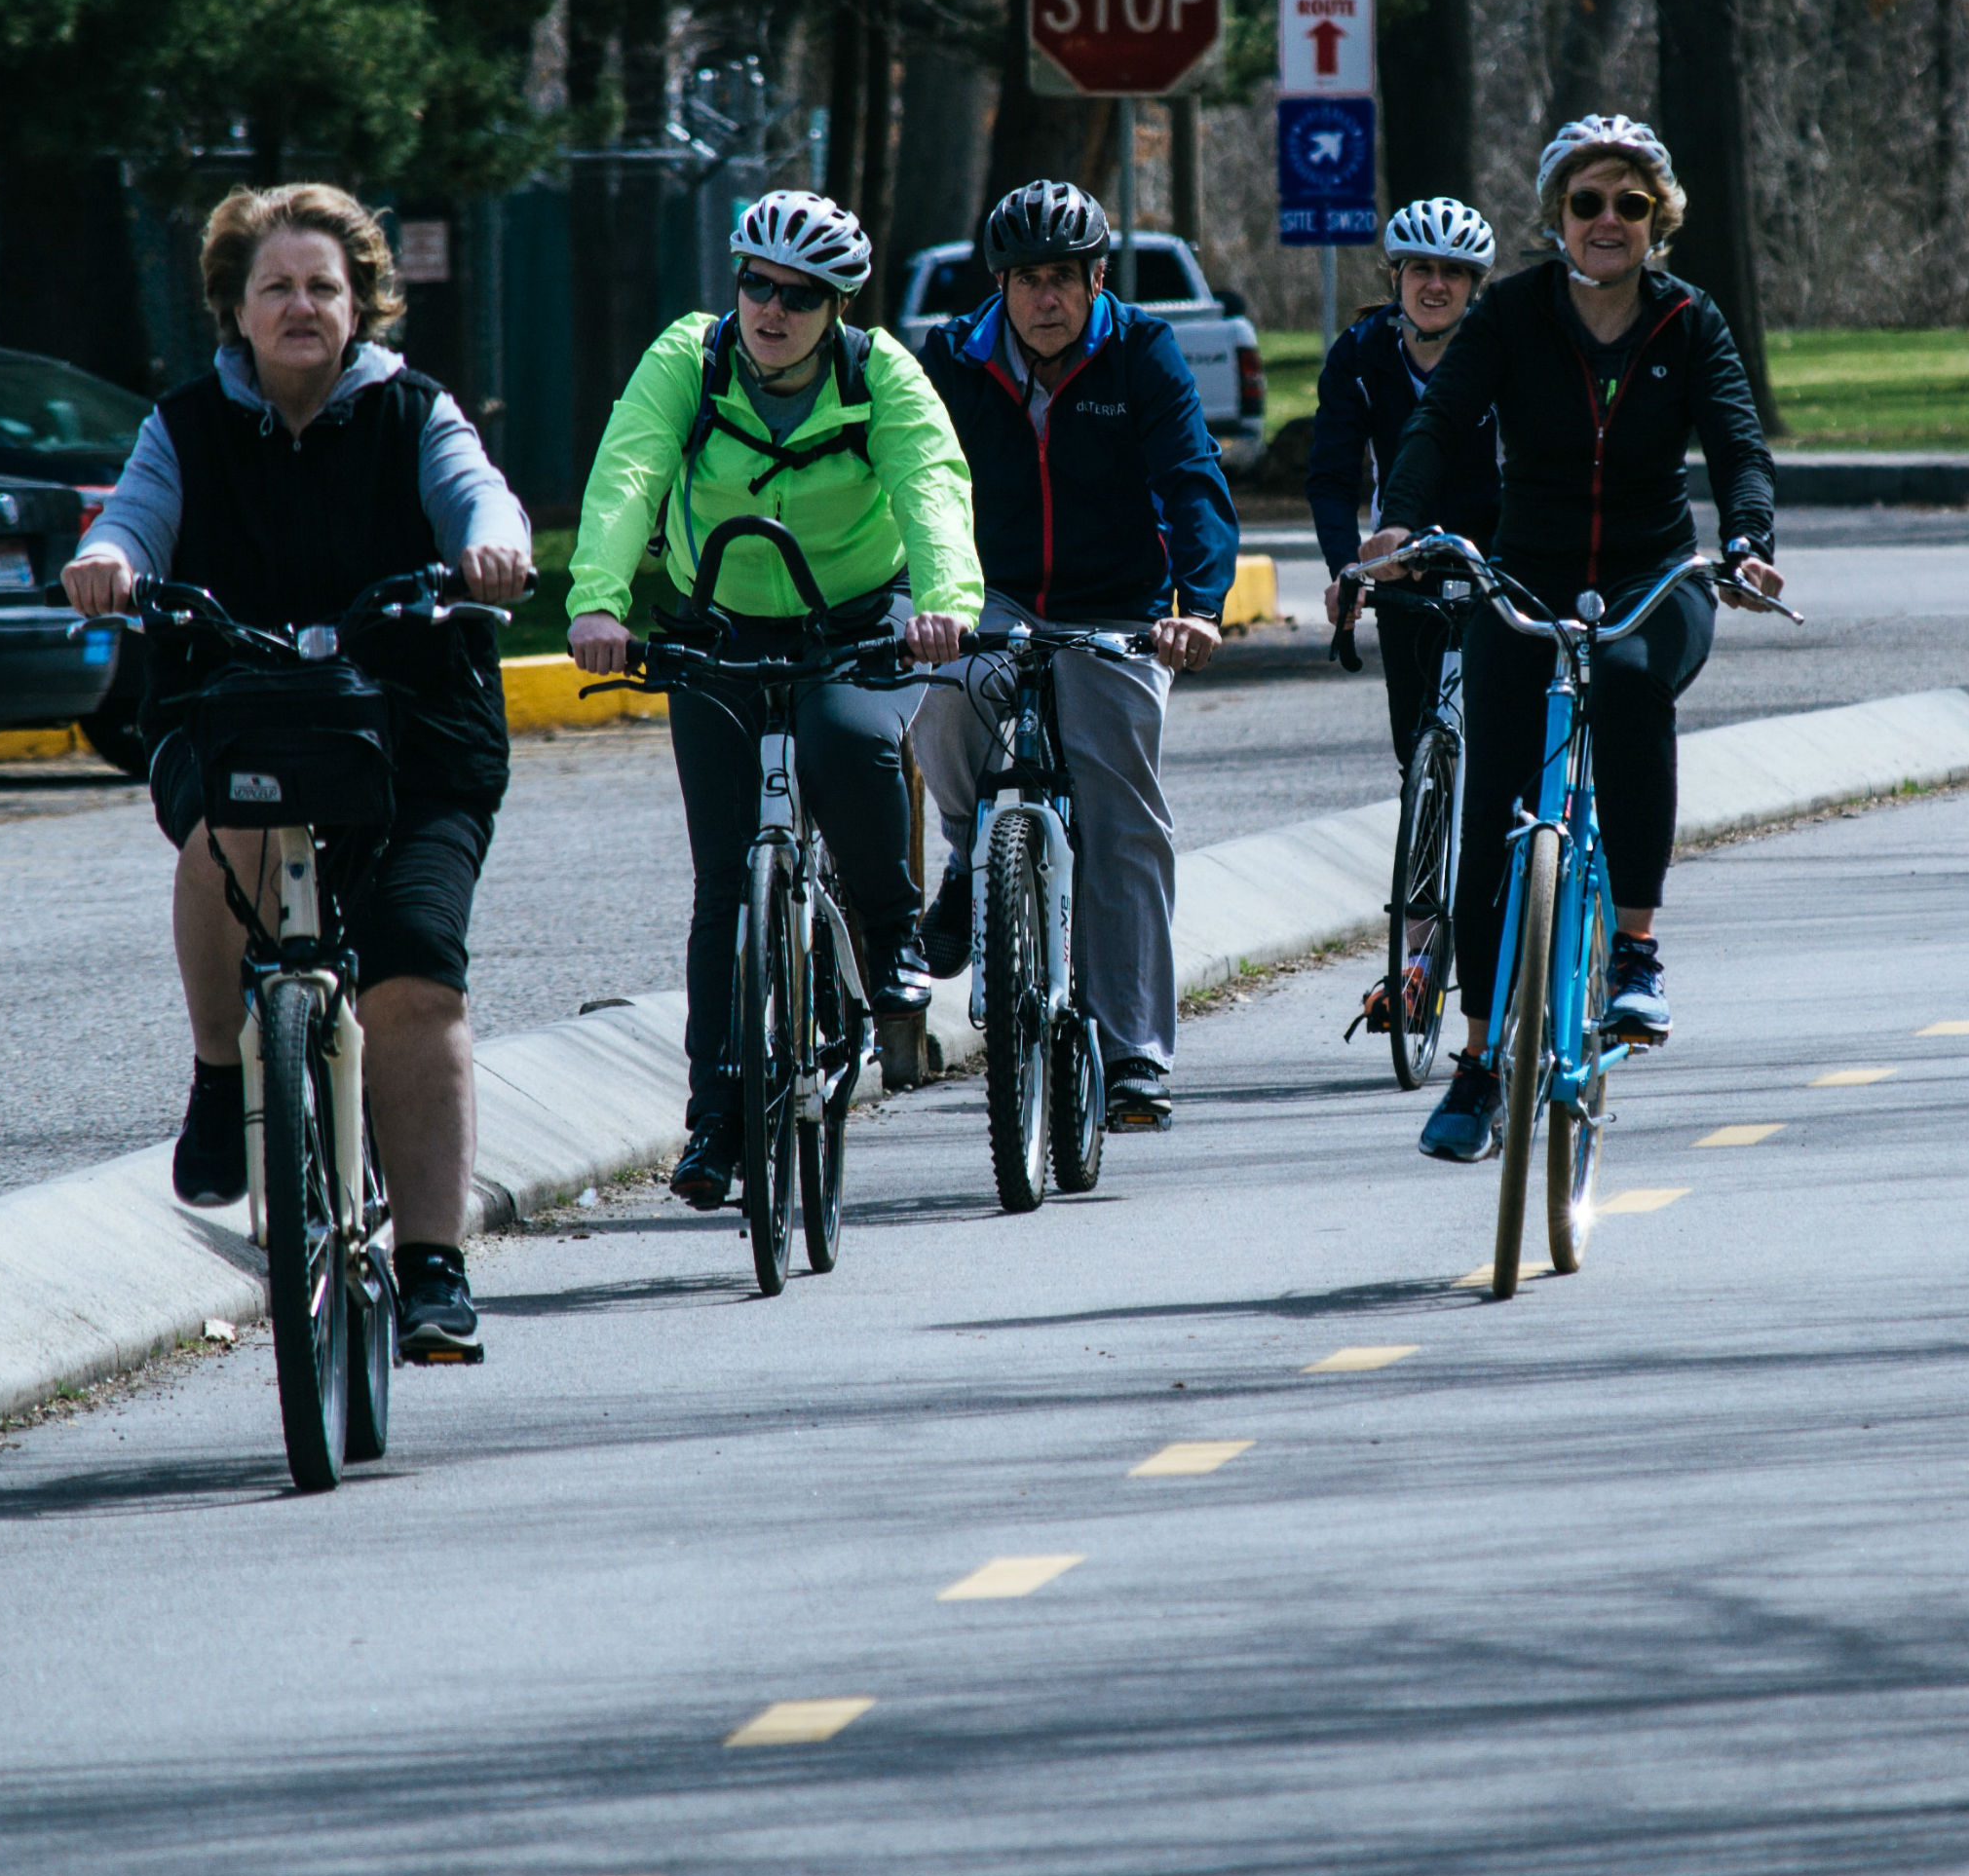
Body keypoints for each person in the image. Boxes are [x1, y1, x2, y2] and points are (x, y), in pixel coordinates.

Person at [63, 184, 534, 1363]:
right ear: (235, 305)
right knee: (230, 828)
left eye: (325, 285)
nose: (302, 305)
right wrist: (107, 561)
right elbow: (134, 516)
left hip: (415, 734)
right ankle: (224, 1074)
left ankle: (433, 1268)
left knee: (414, 984)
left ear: (362, 302)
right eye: (275, 286)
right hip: (236, 716)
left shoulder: (414, 411)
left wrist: (494, 548)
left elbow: (479, 493)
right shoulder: (185, 424)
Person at [1364, 114, 1781, 1165]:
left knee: (1635, 688)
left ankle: (1634, 953)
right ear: (1556, 217)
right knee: (1498, 801)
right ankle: (1473, 1064)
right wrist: (1401, 520)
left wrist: (1746, 541)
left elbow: (1736, 441)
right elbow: (1438, 423)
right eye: (1587, 202)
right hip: (1527, 576)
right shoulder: (1508, 316)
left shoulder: (1689, 322)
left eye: (1629, 204)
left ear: (1658, 220)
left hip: (1651, 579)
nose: (1607, 221)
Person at [565, 189, 979, 1211]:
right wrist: (598, 602)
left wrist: (946, 603)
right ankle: (713, 1119)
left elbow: (932, 485)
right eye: (757, 284)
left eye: (800, 294)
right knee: (721, 885)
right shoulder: (687, 360)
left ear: (836, 306)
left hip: (856, 616)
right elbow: (630, 472)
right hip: (719, 621)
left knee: (848, 739)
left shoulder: (880, 373)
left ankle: (889, 939)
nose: (773, 309)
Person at [910, 179, 1238, 1134]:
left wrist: (1200, 608)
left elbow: (1190, 479)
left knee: (1122, 816)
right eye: (1025, 280)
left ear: (1098, 278)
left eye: (1063, 277)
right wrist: (923, 600)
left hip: (1117, 608)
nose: (1045, 298)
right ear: (998, 285)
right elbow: (917, 481)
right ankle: (974, 855)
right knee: (943, 692)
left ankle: (1133, 1054)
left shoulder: (1142, 350)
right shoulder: (953, 358)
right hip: (992, 590)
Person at [1310, 195, 1505, 763]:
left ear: (1476, 285)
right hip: (1398, 555)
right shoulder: (1360, 353)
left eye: (1454, 272)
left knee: (1502, 744)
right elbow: (1331, 476)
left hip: (1494, 554)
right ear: (1397, 276)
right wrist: (1346, 565)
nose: (1436, 285)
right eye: (1421, 268)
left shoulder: (1502, 351)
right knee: (1415, 746)